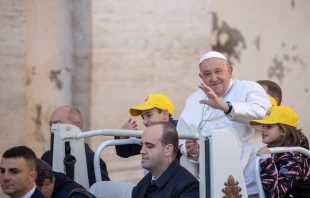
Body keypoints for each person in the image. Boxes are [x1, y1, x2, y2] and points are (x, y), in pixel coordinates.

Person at [177, 51, 271, 196]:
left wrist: (225, 107)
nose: (214, 78)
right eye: (207, 74)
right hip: (208, 171)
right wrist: (192, 151)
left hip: (247, 167)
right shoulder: (193, 100)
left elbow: (263, 116)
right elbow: (183, 139)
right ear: (201, 77)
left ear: (230, 71)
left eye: (218, 71)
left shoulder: (248, 88)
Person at [250, 106, 310, 198]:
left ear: (283, 130)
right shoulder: (278, 152)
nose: (263, 129)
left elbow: (274, 195)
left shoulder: (294, 158)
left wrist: (265, 160)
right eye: (263, 126)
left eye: (269, 126)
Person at [41, 106, 110, 186]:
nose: (52, 128)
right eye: (50, 124)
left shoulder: (91, 160)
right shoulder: (46, 156)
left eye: (57, 123)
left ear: (77, 126)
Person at [132, 122, 199, 197]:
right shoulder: (141, 186)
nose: (142, 151)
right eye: (142, 145)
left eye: (149, 146)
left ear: (168, 150)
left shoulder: (188, 187)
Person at [115, 94, 179, 158]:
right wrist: (122, 136)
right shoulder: (150, 134)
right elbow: (124, 152)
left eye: (149, 115)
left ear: (165, 115)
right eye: (143, 117)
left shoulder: (183, 128)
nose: (144, 122)